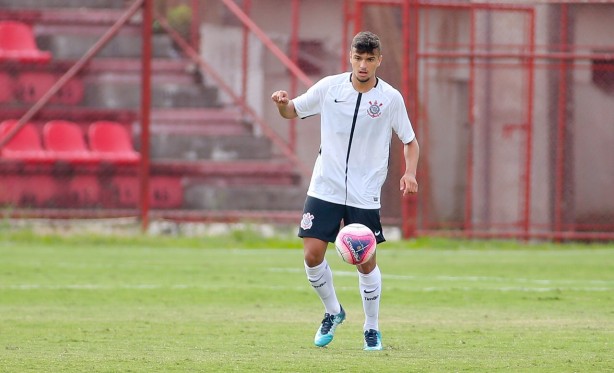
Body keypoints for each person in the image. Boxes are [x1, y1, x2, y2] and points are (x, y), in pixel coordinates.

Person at [271, 31, 419, 351]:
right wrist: (283, 104)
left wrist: (410, 173)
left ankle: (372, 328)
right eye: (358, 57)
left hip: (365, 191)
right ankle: (333, 311)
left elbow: (410, 141)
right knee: (311, 255)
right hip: (326, 184)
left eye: (369, 59)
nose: (363, 65)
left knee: (365, 262)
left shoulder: (390, 98)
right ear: (349, 56)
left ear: (379, 60)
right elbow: (293, 110)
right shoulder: (329, 88)